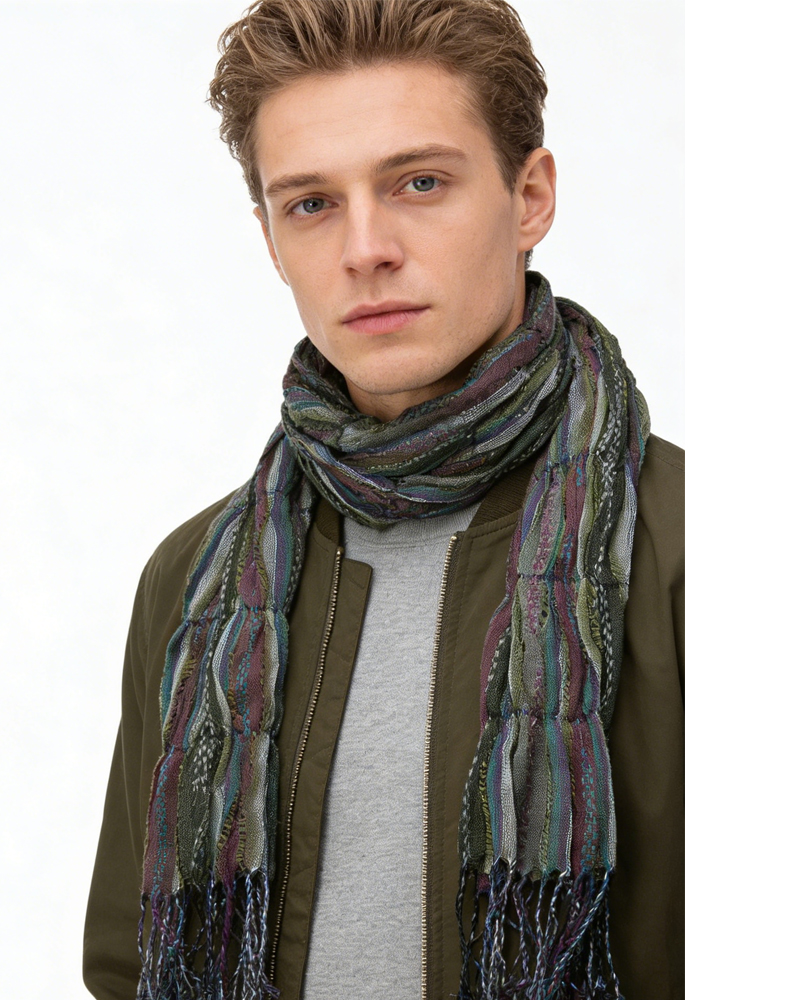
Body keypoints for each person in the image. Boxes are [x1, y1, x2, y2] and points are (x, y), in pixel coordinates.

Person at [83, 2, 683, 998]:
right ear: (271, 239)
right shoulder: (190, 580)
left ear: (530, 196)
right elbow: (127, 963)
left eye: (419, 182)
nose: (365, 248)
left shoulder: (699, 551)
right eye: (312, 203)